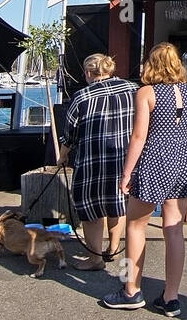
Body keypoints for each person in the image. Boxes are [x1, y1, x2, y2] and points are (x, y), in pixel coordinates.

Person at [102, 42, 187, 316]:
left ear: (152, 63)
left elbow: (139, 137)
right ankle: (171, 298)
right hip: (182, 163)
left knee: (135, 226)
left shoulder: (146, 93)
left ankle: (130, 290)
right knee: (174, 230)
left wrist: (126, 173)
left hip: (153, 162)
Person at [58, 53, 138, 270]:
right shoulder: (132, 89)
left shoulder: (82, 97)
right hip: (125, 158)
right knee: (118, 202)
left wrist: (62, 155)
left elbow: (70, 133)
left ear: (88, 73)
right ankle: (112, 248)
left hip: (92, 161)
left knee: (91, 208)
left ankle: (95, 259)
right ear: (110, 69)